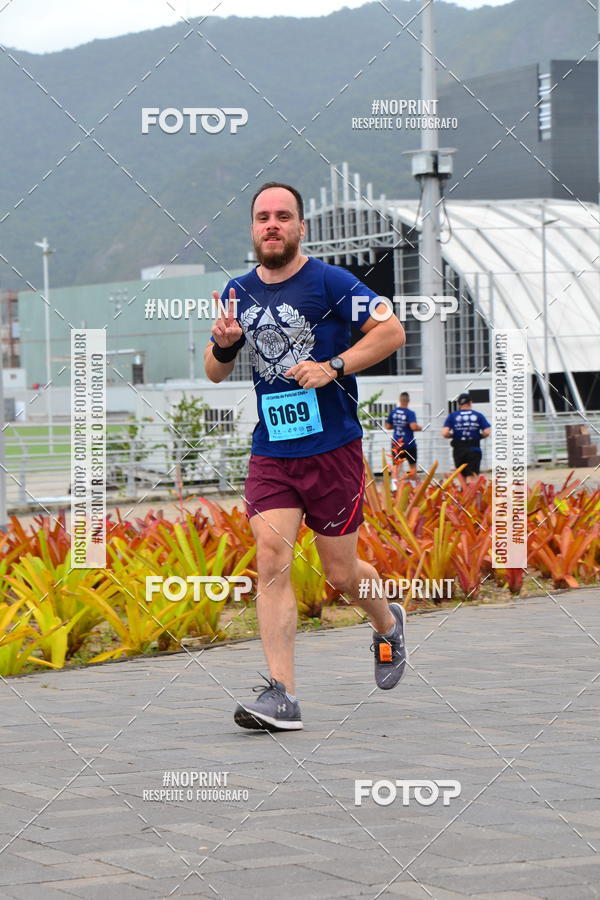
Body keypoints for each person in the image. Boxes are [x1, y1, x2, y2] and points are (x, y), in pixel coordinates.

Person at [204, 182, 407, 732]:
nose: (272, 225)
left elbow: (391, 331)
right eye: (263, 217)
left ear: (300, 229)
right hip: (272, 450)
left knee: (341, 573)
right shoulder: (237, 291)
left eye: (283, 217)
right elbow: (215, 368)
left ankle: (387, 624)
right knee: (270, 559)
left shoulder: (331, 281)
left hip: (333, 449)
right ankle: (282, 695)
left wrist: (333, 366)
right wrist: (223, 344)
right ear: (252, 229)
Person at [442, 392, 491, 483]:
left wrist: (453, 435)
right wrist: (479, 436)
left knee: (462, 476)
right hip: (474, 448)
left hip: (458, 449)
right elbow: (487, 432)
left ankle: (464, 493)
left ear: (459, 404)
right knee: (473, 476)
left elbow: (445, 433)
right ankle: (473, 494)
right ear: (470, 403)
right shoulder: (478, 415)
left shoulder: (453, 416)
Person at [385, 391, 422, 485]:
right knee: (412, 466)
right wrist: (420, 428)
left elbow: (388, 426)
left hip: (396, 444)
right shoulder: (410, 413)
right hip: (409, 444)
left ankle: (395, 488)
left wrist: (398, 426)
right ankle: (413, 487)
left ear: (400, 400)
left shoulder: (393, 412)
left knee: (396, 467)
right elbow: (413, 427)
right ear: (408, 400)